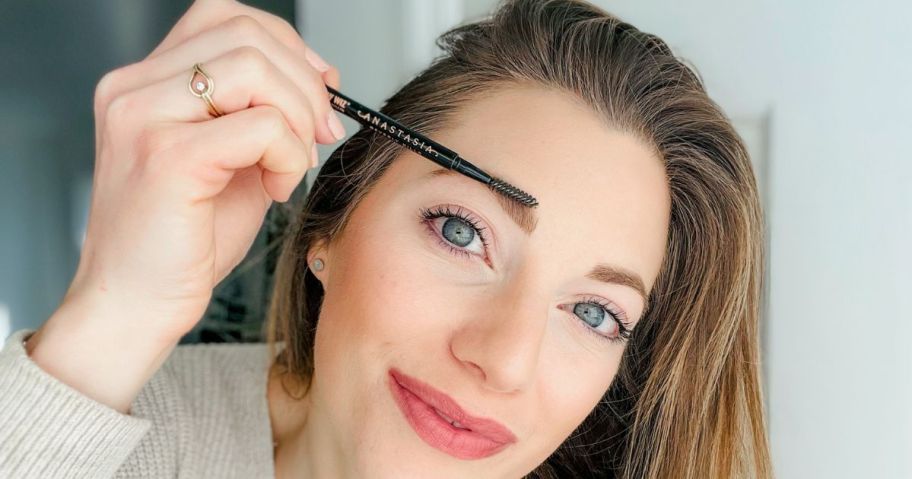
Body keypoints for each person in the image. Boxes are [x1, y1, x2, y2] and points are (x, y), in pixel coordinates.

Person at [0, 0, 773, 477]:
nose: (501, 360)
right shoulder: (122, 445)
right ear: (330, 226)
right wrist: (114, 312)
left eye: (595, 312)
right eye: (463, 231)